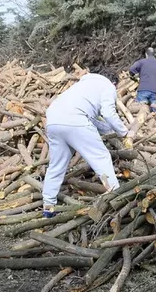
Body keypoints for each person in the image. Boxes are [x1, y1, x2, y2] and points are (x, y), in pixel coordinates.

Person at [42, 68, 129, 217]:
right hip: (75, 120)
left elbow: (92, 118)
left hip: (53, 120)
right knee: (101, 158)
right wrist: (124, 132)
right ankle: (116, 197)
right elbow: (108, 113)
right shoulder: (107, 85)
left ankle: (48, 208)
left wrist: (109, 130)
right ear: (114, 83)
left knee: (56, 165)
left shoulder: (82, 85)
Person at [129, 47, 156, 112]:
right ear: (155, 54)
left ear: (146, 54)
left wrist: (134, 76)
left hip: (143, 90)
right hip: (155, 92)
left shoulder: (141, 62)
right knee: (155, 112)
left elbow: (131, 70)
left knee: (141, 111)